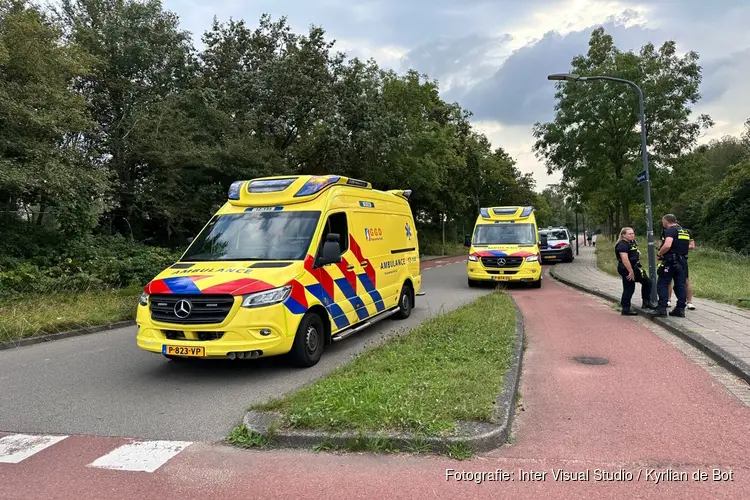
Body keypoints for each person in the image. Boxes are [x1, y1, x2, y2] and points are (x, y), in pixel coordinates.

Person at [653, 214, 691, 317]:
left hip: (670, 261)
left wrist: (659, 254)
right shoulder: (684, 232)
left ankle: (661, 308)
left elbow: (668, 245)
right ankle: (680, 308)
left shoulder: (670, 230)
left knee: (663, 284)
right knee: (680, 285)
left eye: (663, 221)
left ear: (666, 221)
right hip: (682, 261)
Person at [615, 227, 655, 315]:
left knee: (647, 282)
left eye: (633, 233)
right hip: (626, 268)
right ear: (623, 235)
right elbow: (625, 259)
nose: (632, 235)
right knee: (629, 288)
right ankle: (625, 308)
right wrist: (630, 271)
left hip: (635, 267)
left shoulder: (631, 243)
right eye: (629, 234)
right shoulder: (622, 244)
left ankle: (646, 302)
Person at [660, 222, 696, 309]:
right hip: (669, 258)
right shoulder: (665, 231)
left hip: (680, 258)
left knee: (684, 281)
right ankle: (668, 300)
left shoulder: (686, 232)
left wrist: (679, 246)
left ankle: (689, 302)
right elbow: (661, 243)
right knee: (668, 281)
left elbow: (692, 245)